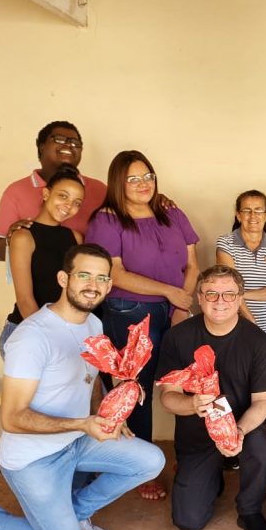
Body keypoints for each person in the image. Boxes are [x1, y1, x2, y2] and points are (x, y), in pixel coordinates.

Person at [0, 244, 166, 530]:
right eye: (84, 275)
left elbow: (91, 378)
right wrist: (82, 424)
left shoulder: (93, 325)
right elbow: (12, 419)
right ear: (63, 278)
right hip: (34, 458)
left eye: (101, 278)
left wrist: (106, 413)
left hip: (77, 441)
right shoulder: (32, 337)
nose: (92, 285)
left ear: (109, 286)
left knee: (150, 461)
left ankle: (76, 514)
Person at [86, 150, 199, 500]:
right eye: (132, 178)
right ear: (118, 183)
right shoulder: (107, 220)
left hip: (175, 310)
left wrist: (182, 303)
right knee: (136, 391)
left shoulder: (171, 212)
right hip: (130, 311)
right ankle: (140, 467)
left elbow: (193, 263)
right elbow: (114, 273)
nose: (142, 184)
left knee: (184, 384)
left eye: (147, 176)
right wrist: (171, 293)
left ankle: (190, 457)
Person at [156, 265, 266, 530]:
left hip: (242, 426)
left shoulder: (257, 340)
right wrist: (192, 404)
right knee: (188, 521)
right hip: (196, 434)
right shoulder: (178, 337)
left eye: (228, 294)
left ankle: (249, 510)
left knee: (261, 448)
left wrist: (239, 432)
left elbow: (263, 402)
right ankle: (213, 478)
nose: (220, 301)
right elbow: (167, 397)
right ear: (199, 297)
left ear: (239, 298)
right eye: (211, 294)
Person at [0, 165, 86, 357]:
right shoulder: (23, 237)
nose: (68, 206)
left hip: (66, 332)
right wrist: (55, 340)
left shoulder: (75, 237)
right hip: (28, 330)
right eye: (63, 196)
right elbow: (25, 300)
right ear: (46, 193)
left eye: (77, 202)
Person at [0, 120, 106, 261]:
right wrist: (13, 239)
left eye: (75, 143)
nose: (69, 144)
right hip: (37, 281)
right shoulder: (16, 191)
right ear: (42, 147)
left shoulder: (100, 190)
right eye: (59, 139)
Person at [216, 190, 266, 342]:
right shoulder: (225, 243)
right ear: (238, 215)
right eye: (246, 210)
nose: (253, 216)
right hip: (235, 324)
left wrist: (240, 294)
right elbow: (228, 287)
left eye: (258, 210)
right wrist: (251, 321)